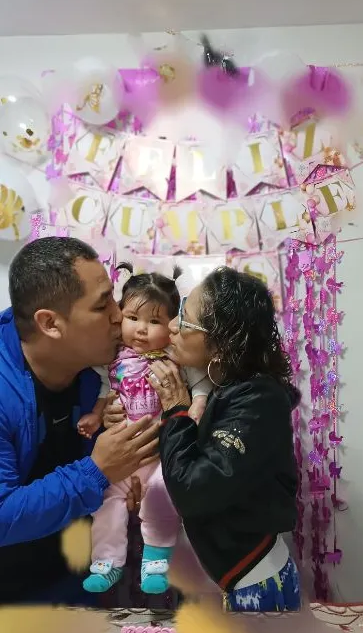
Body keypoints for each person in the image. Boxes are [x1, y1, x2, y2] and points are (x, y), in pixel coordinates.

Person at [105, 267, 301, 612]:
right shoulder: (224, 387)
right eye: (179, 312)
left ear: (221, 345)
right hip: (227, 574)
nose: (172, 326)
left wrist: (177, 410)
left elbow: (194, 489)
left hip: (254, 579)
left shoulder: (258, 401)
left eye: (185, 320)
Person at [0, 237, 159, 605]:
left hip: (80, 581)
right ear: (51, 323)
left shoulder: (106, 371)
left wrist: (127, 481)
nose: (120, 316)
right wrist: (97, 470)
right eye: (103, 305)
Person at [77, 265, 211, 595]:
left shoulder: (175, 357)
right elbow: (105, 391)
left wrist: (197, 405)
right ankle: (106, 562)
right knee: (106, 503)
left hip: (161, 455)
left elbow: (201, 380)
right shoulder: (112, 358)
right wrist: (96, 416)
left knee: (162, 497)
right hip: (122, 457)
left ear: (172, 326)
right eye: (133, 318)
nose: (141, 329)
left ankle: (156, 560)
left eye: (154, 321)